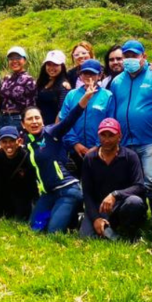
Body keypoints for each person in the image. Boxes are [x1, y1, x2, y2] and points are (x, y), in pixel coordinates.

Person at [108, 39, 152, 223]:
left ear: (144, 56)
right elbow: (114, 109)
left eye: (134, 55)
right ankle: (137, 217)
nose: (130, 59)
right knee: (132, 184)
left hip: (151, 139)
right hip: (126, 142)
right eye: (126, 56)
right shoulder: (117, 81)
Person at [21, 83, 98, 234]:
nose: (34, 121)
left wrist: (85, 98)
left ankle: (78, 218)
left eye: (37, 118)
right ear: (23, 124)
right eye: (30, 119)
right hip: (49, 194)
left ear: (42, 120)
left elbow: (70, 119)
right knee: (35, 229)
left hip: (68, 190)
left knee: (53, 232)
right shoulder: (27, 143)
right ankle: (62, 216)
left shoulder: (51, 133)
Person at [80, 118, 146, 240]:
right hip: (99, 207)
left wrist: (116, 195)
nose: (106, 140)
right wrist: (96, 218)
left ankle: (129, 232)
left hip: (121, 205)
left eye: (111, 136)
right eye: (103, 135)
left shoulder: (130, 156)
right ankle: (107, 229)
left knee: (135, 202)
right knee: (86, 237)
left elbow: (139, 186)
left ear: (119, 136)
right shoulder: (90, 158)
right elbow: (87, 193)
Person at [59, 59, 115, 174]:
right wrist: (75, 144)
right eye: (85, 73)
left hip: (100, 150)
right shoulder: (71, 95)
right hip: (74, 150)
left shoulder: (107, 96)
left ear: (99, 76)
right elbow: (64, 120)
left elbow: (110, 122)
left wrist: (97, 146)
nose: (88, 76)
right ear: (80, 75)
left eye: (92, 73)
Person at [0, 46, 37, 146]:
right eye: (11, 59)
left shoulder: (29, 80)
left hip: (17, 120)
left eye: (18, 58)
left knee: (16, 150)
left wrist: (26, 128)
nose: (14, 61)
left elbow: (30, 107)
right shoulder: (6, 78)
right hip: (2, 119)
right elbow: (0, 103)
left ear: (24, 60)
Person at [35, 50, 70, 125]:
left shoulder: (63, 86)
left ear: (62, 66)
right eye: (49, 64)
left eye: (55, 65)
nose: (51, 68)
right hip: (38, 125)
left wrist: (54, 130)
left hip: (52, 127)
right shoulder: (42, 82)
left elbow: (62, 110)